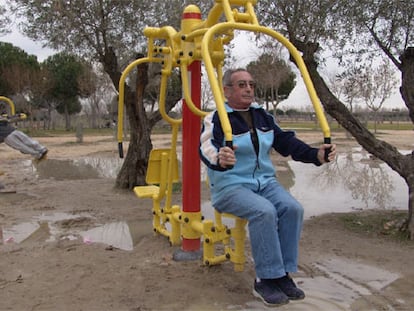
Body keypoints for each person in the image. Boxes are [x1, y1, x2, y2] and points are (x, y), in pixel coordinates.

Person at [199, 68, 336, 307]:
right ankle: (265, 279)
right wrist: (219, 159)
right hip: (230, 186)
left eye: (251, 84)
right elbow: (205, 147)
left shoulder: (263, 116)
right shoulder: (216, 117)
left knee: (292, 208)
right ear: (227, 90)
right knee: (264, 212)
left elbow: (286, 142)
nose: (249, 89)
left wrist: (316, 155)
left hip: (264, 183)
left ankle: (282, 273)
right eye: (241, 85)